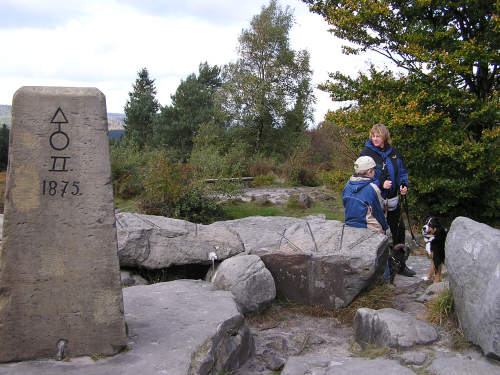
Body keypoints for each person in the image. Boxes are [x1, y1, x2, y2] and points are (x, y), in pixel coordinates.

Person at [360, 123, 415, 277]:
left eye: (378, 136)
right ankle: (379, 269)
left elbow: (402, 172)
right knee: (379, 234)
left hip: (393, 199)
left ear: (385, 137)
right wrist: (380, 183)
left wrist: (403, 184)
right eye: (373, 135)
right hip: (376, 200)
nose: (375, 139)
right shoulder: (366, 153)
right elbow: (362, 177)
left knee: (399, 232)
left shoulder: (394, 153)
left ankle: (400, 265)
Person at [342, 156, 389, 234]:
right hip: (370, 228)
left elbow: (346, 205)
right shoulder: (372, 188)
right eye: (374, 169)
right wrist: (385, 228)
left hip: (350, 226)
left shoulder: (347, 186)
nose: (375, 171)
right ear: (369, 171)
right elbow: (379, 212)